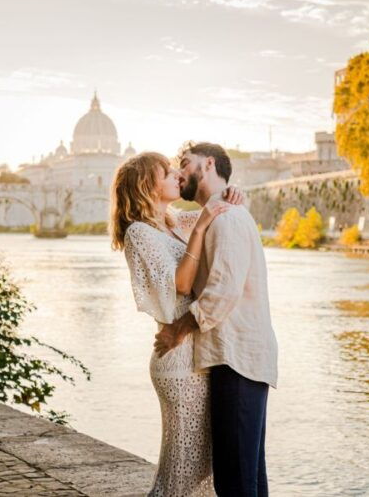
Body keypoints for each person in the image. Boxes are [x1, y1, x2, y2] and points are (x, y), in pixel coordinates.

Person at [110, 151, 244, 497]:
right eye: (165, 172)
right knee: (182, 470)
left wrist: (235, 194)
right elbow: (181, 285)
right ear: (146, 185)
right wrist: (200, 226)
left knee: (198, 465)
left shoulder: (172, 223)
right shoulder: (140, 233)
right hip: (177, 358)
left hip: (195, 355)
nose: (175, 175)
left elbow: (215, 210)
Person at [154, 142, 278, 497]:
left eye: (185, 164)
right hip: (239, 358)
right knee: (247, 479)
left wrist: (178, 330)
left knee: (236, 482)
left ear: (208, 164)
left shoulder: (227, 217)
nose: (180, 173)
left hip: (236, 359)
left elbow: (223, 291)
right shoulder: (220, 213)